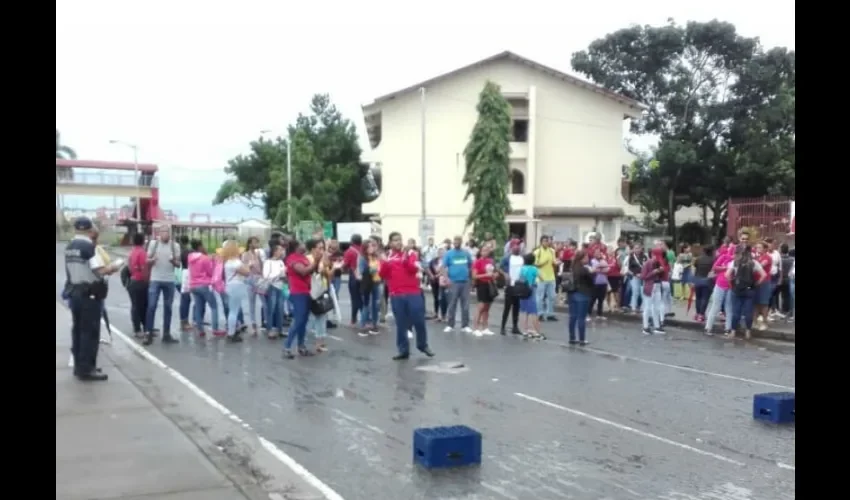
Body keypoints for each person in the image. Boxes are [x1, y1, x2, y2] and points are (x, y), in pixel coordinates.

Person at [64, 217, 120, 381]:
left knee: (78, 331)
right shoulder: (88, 247)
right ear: (90, 229)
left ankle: (79, 367)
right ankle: (87, 369)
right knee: (90, 332)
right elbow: (100, 270)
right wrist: (115, 266)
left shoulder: (70, 246)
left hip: (75, 293)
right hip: (89, 295)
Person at [380, 232, 435, 360]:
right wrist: (386, 263)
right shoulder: (388, 256)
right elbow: (383, 274)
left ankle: (422, 345)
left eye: (400, 239)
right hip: (396, 294)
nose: (398, 242)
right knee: (401, 323)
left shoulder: (411, 254)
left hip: (413, 292)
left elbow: (413, 269)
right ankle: (403, 350)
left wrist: (405, 258)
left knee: (419, 320)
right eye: (395, 240)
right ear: (390, 243)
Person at [144, 226, 181, 346]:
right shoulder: (153, 244)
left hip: (169, 280)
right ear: (159, 234)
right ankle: (148, 333)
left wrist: (172, 261)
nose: (165, 235)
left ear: (170, 234)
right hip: (155, 279)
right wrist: (152, 260)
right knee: (152, 306)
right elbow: (147, 260)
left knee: (168, 307)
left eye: (167, 233)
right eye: (162, 232)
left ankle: (166, 334)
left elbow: (178, 264)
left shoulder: (174, 246)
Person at [283, 239, 319, 358]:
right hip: (298, 292)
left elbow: (312, 270)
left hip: (307, 291)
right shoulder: (293, 258)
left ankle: (301, 346)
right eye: (302, 244)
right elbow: (303, 272)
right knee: (298, 321)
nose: (305, 245)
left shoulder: (303, 257)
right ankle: (287, 347)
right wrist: (316, 261)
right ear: (297, 247)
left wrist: (317, 262)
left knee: (303, 321)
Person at [726, 244, 768, 340]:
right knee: (748, 312)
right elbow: (764, 275)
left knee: (736, 311)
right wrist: (757, 283)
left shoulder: (735, 262)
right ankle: (748, 332)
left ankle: (733, 332)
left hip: (737, 289)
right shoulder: (753, 263)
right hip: (750, 290)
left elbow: (727, 275)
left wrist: (731, 284)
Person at [187, 240, 224, 337]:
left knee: (198, 308)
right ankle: (215, 329)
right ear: (199, 246)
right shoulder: (204, 258)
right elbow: (210, 272)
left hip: (193, 285)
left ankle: (200, 330)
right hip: (204, 284)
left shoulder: (190, 257)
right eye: (203, 245)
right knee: (214, 306)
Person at [306, 239, 333, 352]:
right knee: (313, 316)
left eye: (323, 248)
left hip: (323, 288)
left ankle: (321, 340)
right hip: (312, 291)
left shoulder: (323, 259)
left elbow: (329, 274)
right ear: (312, 249)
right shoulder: (309, 258)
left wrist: (329, 269)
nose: (321, 250)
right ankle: (307, 342)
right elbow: (311, 273)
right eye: (319, 248)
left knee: (322, 315)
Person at [442, 236, 474, 333]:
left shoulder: (466, 253)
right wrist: (446, 279)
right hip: (453, 282)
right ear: (453, 242)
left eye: (458, 241)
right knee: (452, 304)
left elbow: (470, 266)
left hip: (465, 282)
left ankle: (465, 325)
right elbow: (443, 267)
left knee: (465, 304)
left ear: (461, 242)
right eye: (455, 241)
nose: (456, 243)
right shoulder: (449, 254)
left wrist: (471, 280)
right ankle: (450, 325)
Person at [566, 250, 593, 345]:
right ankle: (582, 339)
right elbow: (591, 281)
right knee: (581, 317)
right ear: (582, 259)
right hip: (583, 294)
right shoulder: (584, 270)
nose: (588, 259)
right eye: (586, 257)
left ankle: (572, 338)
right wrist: (592, 272)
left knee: (572, 316)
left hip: (571, 293)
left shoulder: (573, 268)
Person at [357, 239, 383, 336]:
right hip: (367, 283)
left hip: (376, 282)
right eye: (369, 246)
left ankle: (374, 325)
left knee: (376, 305)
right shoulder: (363, 258)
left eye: (372, 246)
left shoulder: (375, 257)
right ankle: (363, 326)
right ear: (365, 248)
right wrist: (373, 269)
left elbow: (381, 267)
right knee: (366, 305)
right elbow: (362, 271)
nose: (371, 248)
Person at [498, 240, 525, 335]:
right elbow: (499, 267)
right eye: (515, 246)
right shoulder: (507, 257)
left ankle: (515, 326)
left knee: (516, 307)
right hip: (510, 285)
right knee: (507, 307)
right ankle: (502, 327)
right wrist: (505, 274)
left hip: (519, 285)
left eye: (518, 246)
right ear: (511, 248)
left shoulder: (522, 258)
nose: (517, 248)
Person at [127, 232, 150, 338]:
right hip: (140, 282)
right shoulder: (142, 252)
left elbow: (129, 267)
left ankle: (140, 328)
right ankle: (141, 329)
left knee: (135, 306)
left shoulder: (131, 252)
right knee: (142, 306)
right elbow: (144, 268)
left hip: (133, 280)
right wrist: (147, 281)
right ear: (143, 240)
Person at [640, 248, 668, 335]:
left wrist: (661, 271)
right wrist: (653, 272)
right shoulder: (648, 263)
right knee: (647, 307)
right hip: (650, 286)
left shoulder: (658, 263)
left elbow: (664, 276)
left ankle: (657, 326)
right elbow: (643, 276)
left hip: (657, 286)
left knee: (656, 307)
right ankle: (645, 327)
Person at [261, 244, 286, 338]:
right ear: (274, 251)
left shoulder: (281, 262)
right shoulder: (268, 262)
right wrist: (279, 274)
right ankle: (270, 329)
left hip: (281, 286)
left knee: (280, 308)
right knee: (271, 308)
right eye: (280, 250)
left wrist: (284, 276)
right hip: (272, 286)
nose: (282, 252)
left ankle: (280, 329)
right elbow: (266, 276)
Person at [471, 244, 497, 335]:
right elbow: (474, 276)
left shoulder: (490, 261)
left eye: (487, 250)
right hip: (481, 284)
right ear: (481, 252)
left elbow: (494, 272)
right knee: (481, 306)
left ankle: (485, 327)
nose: (486, 251)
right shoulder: (477, 262)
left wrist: (494, 275)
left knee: (487, 307)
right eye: (484, 250)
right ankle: (475, 328)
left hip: (490, 284)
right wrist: (485, 275)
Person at [532, 236, 558, 322]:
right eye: (544, 241)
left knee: (552, 296)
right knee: (540, 297)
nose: (546, 243)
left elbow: (554, 261)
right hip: (541, 277)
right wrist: (543, 263)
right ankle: (540, 314)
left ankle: (550, 314)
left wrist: (557, 262)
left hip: (551, 276)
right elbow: (535, 264)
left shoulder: (552, 251)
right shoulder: (537, 252)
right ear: (541, 242)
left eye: (547, 241)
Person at [519, 253, 542, 338]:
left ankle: (524, 330)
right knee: (533, 311)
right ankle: (536, 330)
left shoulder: (522, 268)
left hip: (522, 289)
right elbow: (541, 277)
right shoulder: (534, 269)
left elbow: (520, 278)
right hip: (531, 289)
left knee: (523, 310)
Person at [342, 234, 364, 326]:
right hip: (364, 277)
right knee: (363, 298)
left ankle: (354, 319)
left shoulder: (349, 251)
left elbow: (345, 265)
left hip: (354, 276)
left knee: (355, 298)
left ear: (351, 241)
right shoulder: (364, 250)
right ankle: (363, 318)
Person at [692, 245, 715, 322]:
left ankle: (697, 313)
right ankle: (701, 314)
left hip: (698, 280)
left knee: (698, 298)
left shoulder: (698, 259)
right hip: (707, 281)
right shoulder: (713, 260)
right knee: (705, 298)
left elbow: (695, 268)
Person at [427, 247, 448, 321]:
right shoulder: (434, 260)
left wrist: (438, 275)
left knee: (443, 298)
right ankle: (436, 313)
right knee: (436, 297)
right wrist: (431, 275)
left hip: (443, 281)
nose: (441, 254)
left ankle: (443, 314)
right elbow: (428, 268)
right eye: (439, 252)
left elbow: (445, 269)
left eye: (442, 252)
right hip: (434, 281)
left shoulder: (446, 260)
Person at [177, 235, 193, 332]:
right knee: (186, 299)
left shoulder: (177, 251)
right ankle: (184, 322)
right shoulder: (188, 252)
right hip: (185, 276)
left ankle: (184, 321)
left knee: (185, 299)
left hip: (177, 277)